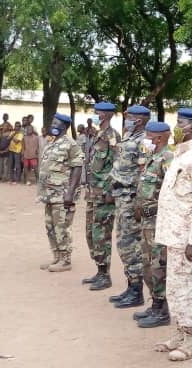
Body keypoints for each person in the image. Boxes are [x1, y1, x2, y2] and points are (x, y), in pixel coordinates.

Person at [148, 109, 192, 361]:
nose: (176, 127)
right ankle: (178, 334)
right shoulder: (183, 153)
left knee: (188, 289)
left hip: (187, 238)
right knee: (175, 289)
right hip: (174, 235)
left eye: (180, 123)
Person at [107, 105, 152, 308]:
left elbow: (145, 173)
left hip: (131, 197)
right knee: (123, 243)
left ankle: (136, 292)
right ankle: (131, 285)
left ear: (140, 120)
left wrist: (139, 202)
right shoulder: (128, 138)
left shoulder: (145, 141)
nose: (127, 120)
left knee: (130, 244)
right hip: (121, 196)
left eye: (131, 117)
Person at [132, 121, 174, 328]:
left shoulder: (167, 158)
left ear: (158, 138)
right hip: (146, 221)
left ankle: (163, 310)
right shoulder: (152, 157)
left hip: (158, 221)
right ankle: (155, 304)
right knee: (147, 263)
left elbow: (172, 193)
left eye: (148, 136)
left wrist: (153, 209)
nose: (144, 140)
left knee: (159, 266)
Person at [37, 113, 84, 272]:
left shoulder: (71, 144)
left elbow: (77, 167)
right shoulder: (52, 142)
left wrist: (70, 192)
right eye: (53, 121)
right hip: (49, 193)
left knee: (62, 226)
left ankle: (66, 260)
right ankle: (56, 256)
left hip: (62, 194)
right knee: (50, 226)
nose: (53, 125)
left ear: (64, 126)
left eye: (56, 123)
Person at [84, 102, 122, 290]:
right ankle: (99, 270)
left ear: (105, 115)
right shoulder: (98, 135)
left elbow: (117, 165)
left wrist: (110, 190)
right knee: (90, 233)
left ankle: (104, 274)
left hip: (104, 195)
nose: (95, 115)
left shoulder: (112, 136)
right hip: (93, 193)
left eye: (98, 113)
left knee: (102, 234)